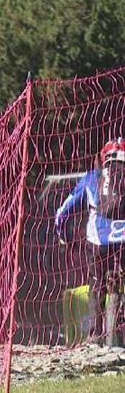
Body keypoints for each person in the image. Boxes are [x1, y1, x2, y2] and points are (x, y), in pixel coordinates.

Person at [54, 137, 125, 345]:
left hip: (97, 239)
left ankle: (94, 335)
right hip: (123, 242)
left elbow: (64, 211)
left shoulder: (92, 177)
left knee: (97, 283)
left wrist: (63, 235)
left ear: (103, 158)